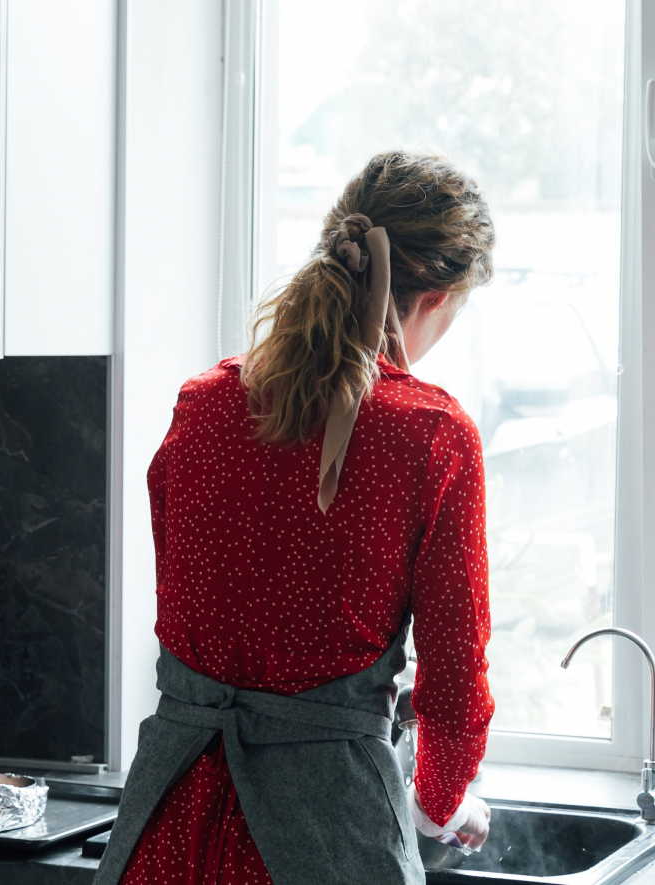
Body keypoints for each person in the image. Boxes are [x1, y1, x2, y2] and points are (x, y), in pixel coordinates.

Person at [94, 151, 497, 885]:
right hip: (325, 841)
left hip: (168, 830)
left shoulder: (204, 404)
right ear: (435, 297)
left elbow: (182, 600)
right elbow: (457, 687)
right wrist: (442, 805)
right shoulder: (431, 436)